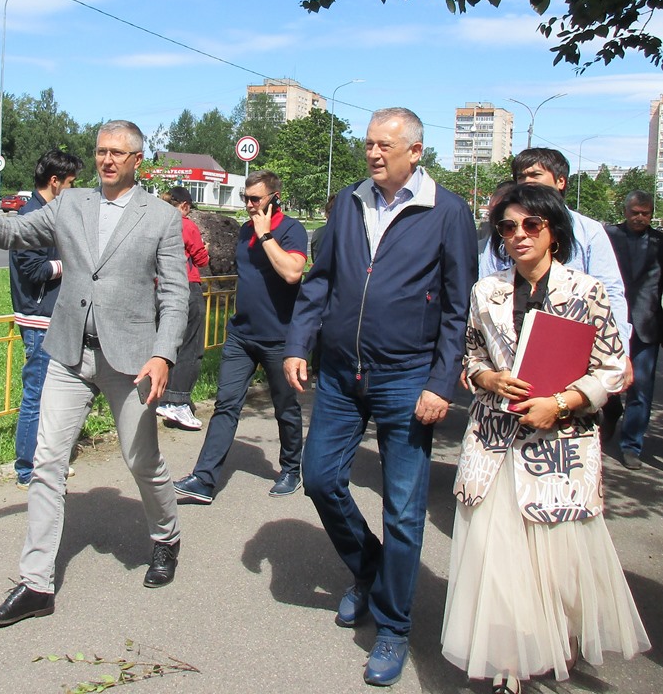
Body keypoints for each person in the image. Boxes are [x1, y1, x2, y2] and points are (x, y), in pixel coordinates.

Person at [0, 120, 188, 627]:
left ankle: (166, 536)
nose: (106, 160)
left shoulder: (161, 217)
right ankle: (36, 584)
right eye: (101, 151)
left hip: (129, 360)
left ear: (136, 160)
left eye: (117, 153)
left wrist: (163, 355)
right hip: (67, 353)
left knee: (142, 460)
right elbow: (18, 233)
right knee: (47, 463)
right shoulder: (71, 203)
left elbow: (175, 295)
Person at [283, 107, 478, 687]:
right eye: (368, 144)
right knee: (318, 477)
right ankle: (368, 567)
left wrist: (442, 382)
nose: (373, 153)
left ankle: (393, 626)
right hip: (343, 373)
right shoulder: (347, 201)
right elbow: (320, 280)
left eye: (385, 145)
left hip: (407, 377)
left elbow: (458, 304)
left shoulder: (447, 212)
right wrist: (300, 342)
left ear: (415, 151)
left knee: (403, 508)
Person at [441, 183, 649, 694]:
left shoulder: (585, 291)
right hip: (493, 443)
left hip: (559, 446)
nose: (518, 235)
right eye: (507, 227)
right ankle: (510, 661)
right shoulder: (485, 291)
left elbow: (610, 371)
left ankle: (558, 638)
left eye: (530, 225)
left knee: (554, 558)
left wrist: (560, 403)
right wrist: (486, 379)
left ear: (554, 232)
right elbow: (471, 356)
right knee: (500, 557)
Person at [173, 170, 308, 504]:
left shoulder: (292, 230)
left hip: (280, 338)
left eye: (255, 199)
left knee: (285, 408)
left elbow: (293, 273)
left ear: (274, 198)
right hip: (241, 335)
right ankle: (204, 480)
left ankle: (291, 469)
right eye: (245, 198)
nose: (248, 205)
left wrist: (266, 237)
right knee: (226, 405)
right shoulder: (245, 230)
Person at [479, 148, 631, 358]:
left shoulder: (589, 231)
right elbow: (486, 288)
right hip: (509, 351)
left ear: (560, 181)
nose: (526, 182)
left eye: (535, 175)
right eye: (520, 177)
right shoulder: (506, 228)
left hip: (574, 351)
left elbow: (611, 293)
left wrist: (619, 350)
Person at [8, 149, 82, 488]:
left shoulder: (52, 211)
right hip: (38, 317)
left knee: (52, 396)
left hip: (54, 315)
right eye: (70, 183)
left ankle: (46, 461)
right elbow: (34, 269)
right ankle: (26, 469)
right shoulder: (31, 215)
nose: (73, 188)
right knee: (36, 395)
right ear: (54, 182)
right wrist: (73, 267)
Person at [603, 190, 663, 469]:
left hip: (646, 324)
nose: (640, 217)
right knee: (606, 382)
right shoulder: (608, 236)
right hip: (609, 321)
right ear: (625, 211)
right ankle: (611, 412)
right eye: (635, 212)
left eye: (645, 213)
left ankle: (631, 445)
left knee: (640, 388)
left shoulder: (659, 242)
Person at [156, 186, 210, 430]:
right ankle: (177, 401)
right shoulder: (185, 225)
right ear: (185, 206)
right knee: (191, 346)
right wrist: (204, 249)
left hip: (159, 289)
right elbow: (201, 259)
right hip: (187, 287)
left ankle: (160, 396)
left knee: (165, 345)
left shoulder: (155, 222)